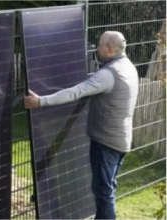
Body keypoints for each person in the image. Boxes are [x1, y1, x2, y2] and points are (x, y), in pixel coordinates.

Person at [24, 31, 139, 220]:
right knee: (107, 189)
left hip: (106, 144)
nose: (97, 48)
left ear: (109, 48)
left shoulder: (109, 74)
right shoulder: (128, 67)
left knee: (104, 194)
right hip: (121, 140)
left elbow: (76, 92)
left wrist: (41, 101)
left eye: (100, 45)